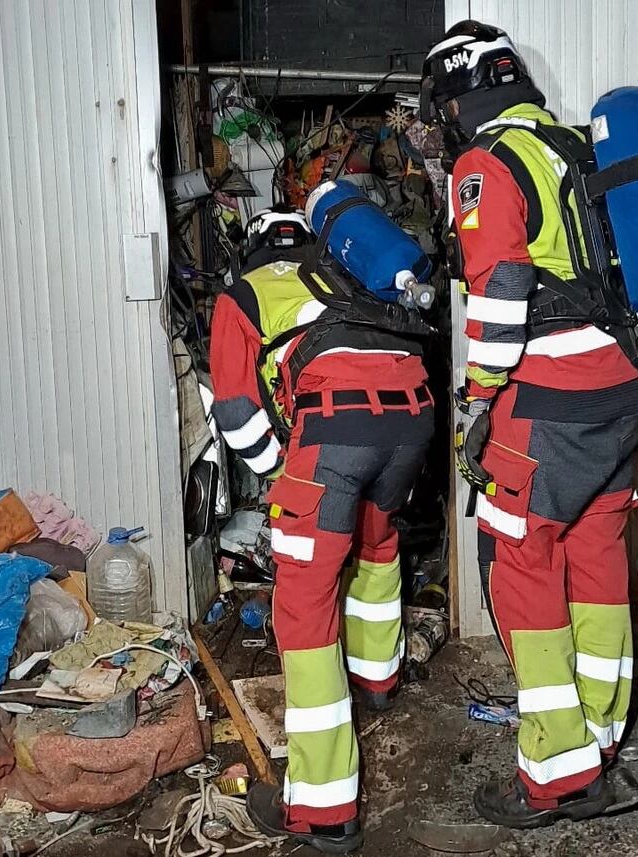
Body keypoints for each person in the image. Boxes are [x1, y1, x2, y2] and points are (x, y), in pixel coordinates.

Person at [421, 21, 638, 828]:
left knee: (522, 566)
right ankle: (600, 741)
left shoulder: (485, 163)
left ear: (457, 98)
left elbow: (503, 282)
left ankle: (554, 774)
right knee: (595, 555)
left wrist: (479, 397)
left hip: (543, 398)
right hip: (620, 387)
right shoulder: (577, 146)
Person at [209, 207, 434, 854]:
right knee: (376, 537)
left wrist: (283, 473)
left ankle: (323, 807)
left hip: (337, 423)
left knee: (305, 602)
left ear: (252, 248)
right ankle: (378, 678)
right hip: (413, 410)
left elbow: (235, 409)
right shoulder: (347, 269)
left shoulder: (244, 293)